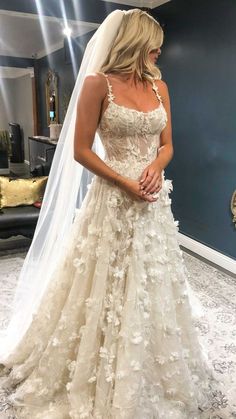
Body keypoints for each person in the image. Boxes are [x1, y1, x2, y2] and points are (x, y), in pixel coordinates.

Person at [0, 8, 228, 419]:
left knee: (152, 281)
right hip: (114, 197)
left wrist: (156, 168)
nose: (160, 51)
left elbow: (167, 145)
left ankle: (151, 364)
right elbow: (81, 150)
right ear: (136, 42)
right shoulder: (96, 84)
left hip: (153, 201)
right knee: (107, 279)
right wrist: (125, 181)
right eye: (154, 43)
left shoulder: (161, 88)